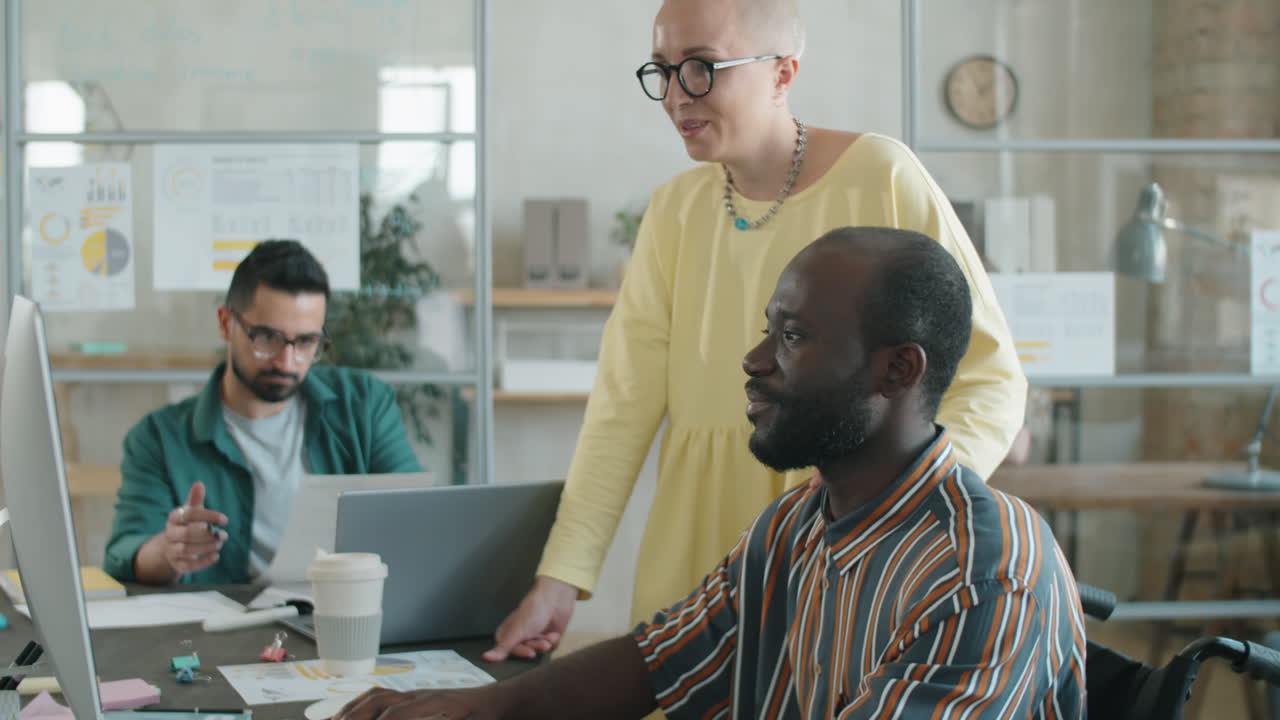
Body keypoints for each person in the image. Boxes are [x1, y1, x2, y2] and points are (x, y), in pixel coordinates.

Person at [338, 227, 1084, 720]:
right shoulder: (795, 526)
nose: (755, 360)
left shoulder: (981, 576)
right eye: (768, 329)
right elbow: (656, 662)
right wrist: (473, 710)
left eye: (790, 337)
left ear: (897, 369)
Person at [487, 0, 1026, 662]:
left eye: (703, 68)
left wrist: (889, 511)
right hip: (694, 539)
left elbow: (992, 377)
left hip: (842, 548)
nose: (677, 96)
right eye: (663, 70)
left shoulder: (881, 175)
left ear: (782, 72)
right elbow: (622, 407)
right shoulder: (675, 210)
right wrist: (561, 576)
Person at [104, 239, 422, 585]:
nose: (286, 361)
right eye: (267, 338)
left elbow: (410, 512)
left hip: (342, 609)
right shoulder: (160, 438)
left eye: (306, 342)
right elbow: (125, 554)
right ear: (226, 324)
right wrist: (168, 550)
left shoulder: (363, 404)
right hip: (228, 627)